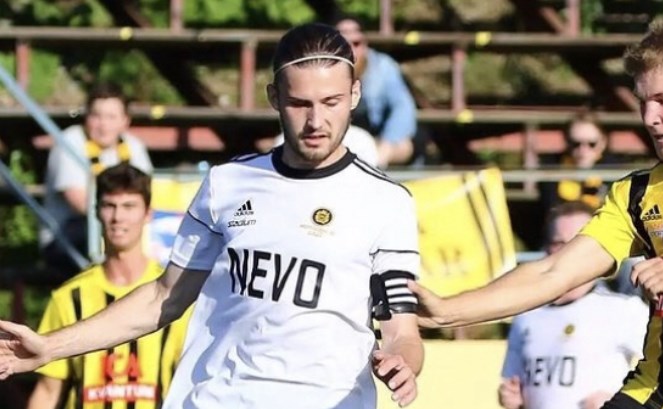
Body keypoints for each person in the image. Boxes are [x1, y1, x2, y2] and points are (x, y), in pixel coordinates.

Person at [0, 23, 423, 409]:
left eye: (331, 102)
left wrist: (403, 363)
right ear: (274, 97)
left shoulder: (386, 202)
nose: (316, 120)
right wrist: (50, 346)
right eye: (299, 103)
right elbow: (163, 297)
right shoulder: (228, 183)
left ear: (354, 94)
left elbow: (402, 331)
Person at [408, 12, 663, 409]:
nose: (649, 118)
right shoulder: (638, 193)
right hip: (658, 394)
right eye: (643, 102)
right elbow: (553, 272)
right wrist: (448, 310)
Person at [27, 163, 192, 409]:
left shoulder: (176, 294)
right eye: (109, 205)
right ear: (96, 212)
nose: (117, 217)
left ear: (148, 213)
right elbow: (48, 392)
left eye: (129, 206)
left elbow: (193, 381)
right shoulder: (69, 297)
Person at [498, 201, 648, 409]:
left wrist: (622, 401)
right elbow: (512, 388)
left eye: (577, 242)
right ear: (547, 248)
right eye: (559, 243)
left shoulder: (625, 310)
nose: (568, 252)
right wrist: (511, 398)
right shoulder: (526, 314)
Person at [41, 83, 153, 280]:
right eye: (96, 116)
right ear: (86, 117)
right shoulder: (70, 141)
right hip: (67, 236)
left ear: (125, 121)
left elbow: (149, 196)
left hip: (117, 230)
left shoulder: (134, 146)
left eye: (111, 117)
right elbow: (79, 203)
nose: (103, 124)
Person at [334, 16, 417, 168]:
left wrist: (387, 144)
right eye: (343, 44)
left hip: (375, 139)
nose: (350, 50)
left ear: (365, 44)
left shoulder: (383, 66)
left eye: (356, 43)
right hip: (334, 138)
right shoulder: (322, 69)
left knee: (404, 147)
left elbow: (402, 107)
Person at [539, 113, 613, 212]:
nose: (583, 150)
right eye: (576, 144)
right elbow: (550, 208)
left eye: (592, 144)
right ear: (567, 142)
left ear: (603, 142)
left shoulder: (615, 173)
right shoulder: (552, 170)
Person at [274, 124, 379, 166]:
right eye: (299, 104)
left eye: (331, 104)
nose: (315, 123)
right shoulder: (283, 141)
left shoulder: (360, 140)